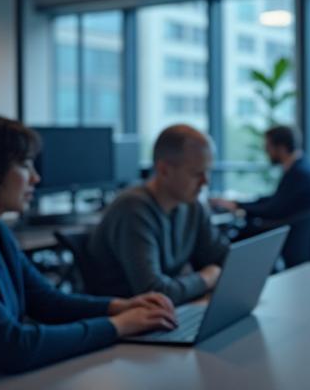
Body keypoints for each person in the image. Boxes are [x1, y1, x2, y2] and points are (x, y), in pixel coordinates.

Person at [0, 114, 175, 389]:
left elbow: (45, 300)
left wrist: (118, 306)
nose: (36, 178)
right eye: (24, 165)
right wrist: (119, 326)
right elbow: (14, 347)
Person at [87, 125, 230, 305]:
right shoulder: (133, 209)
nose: (206, 182)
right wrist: (206, 278)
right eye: (197, 173)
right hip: (132, 324)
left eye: (208, 171)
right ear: (163, 170)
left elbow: (225, 259)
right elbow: (154, 292)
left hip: (172, 312)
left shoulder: (192, 206)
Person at [209, 125, 310, 226]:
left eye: (268, 147)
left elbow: (273, 209)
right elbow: (276, 200)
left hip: (285, 235)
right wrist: (237, 203)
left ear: (281, 148)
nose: (265, 151)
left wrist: (238, 206)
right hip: (292, 233)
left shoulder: (299, 174)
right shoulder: (302, 168)